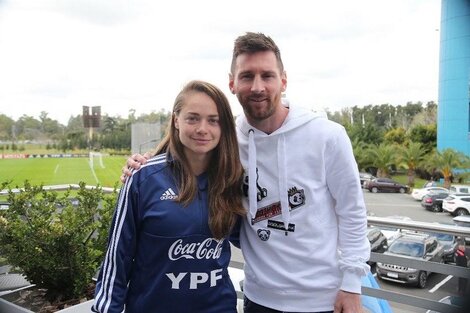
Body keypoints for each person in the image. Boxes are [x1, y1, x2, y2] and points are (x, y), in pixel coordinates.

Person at [122, 32, 370, 313]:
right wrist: (143, 164)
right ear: (232, 83)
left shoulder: (328, 136)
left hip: (323, 301)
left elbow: (352, 212)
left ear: (283, 80)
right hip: (258, 299)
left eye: (267, 75)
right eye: (246, 76)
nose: (257, 87)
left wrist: (352, 285)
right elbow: (184, 158)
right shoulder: (227, 140)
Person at [92, 80, 246, 313]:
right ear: (176, 120)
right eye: (192, 118)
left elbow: (248, 239)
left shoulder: (231, 180)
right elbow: (118, 257)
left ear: (223, 126)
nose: (203, 128)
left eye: (213, 120)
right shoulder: (143, 178)